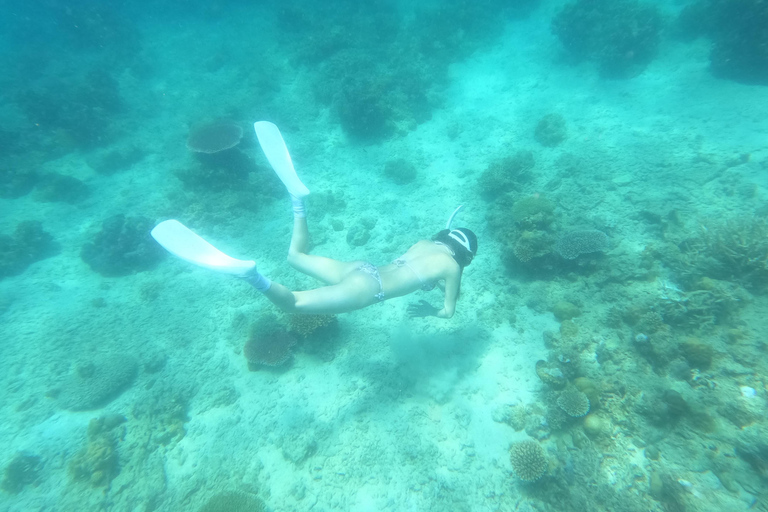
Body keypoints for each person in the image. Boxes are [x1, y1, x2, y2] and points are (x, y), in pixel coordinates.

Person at [151, 122, 477, 319]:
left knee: (296, 257)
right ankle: (252, 276)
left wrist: (449, 228)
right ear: (465, 257)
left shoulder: (425, 243)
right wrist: (430, 311)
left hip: (363, 269)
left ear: (447, 237)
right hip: (368, 289)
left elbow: (440, 240)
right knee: (292, 304)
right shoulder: (454, 267)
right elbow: (448, 311)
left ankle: (297, 200)